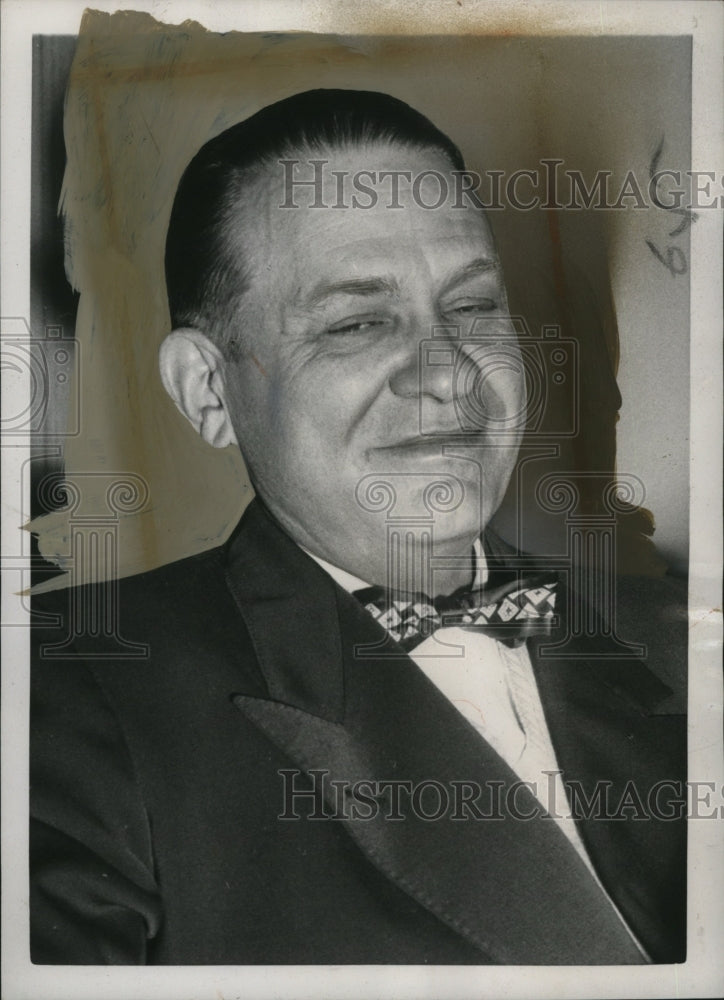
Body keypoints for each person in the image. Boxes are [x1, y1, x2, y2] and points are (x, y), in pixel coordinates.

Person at [30, 89, 686, 965]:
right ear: (208, 391)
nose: (449, 374)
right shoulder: (67, 689)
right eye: (357, 322)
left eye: (473, 306)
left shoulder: (678, 641)